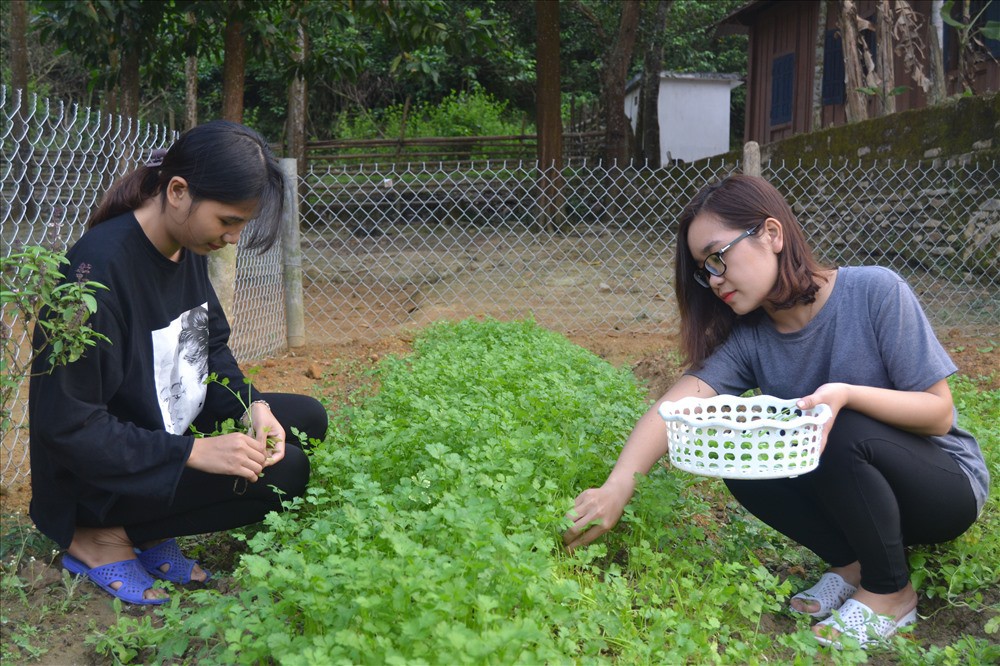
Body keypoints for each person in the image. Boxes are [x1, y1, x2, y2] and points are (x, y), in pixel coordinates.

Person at [563, 175, 988, 649]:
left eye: (718, 256)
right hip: (859, 500)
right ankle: (852, 563)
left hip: (943, 489)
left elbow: (938, 414)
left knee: (835, 421)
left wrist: (846, 393)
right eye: (704, 270)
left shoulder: (875, 291)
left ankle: (891, 592)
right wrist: (618, 485)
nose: (714, 279)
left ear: (772, 234)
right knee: (735, 449)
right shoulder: (750, 340)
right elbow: (677, 404)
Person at [29, 120, 328, 605]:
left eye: (241, 225)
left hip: (159, 429)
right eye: (228, 221)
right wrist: (193, 453)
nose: (232, 237)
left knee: (304, 419)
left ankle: (144, 532)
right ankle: (97, 537)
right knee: (285, 473)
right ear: (178, 191)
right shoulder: (93, 278)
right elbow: (69, 426)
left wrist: (252, 406)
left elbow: (208, 348)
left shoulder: (182, 245)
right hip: (97, 477)